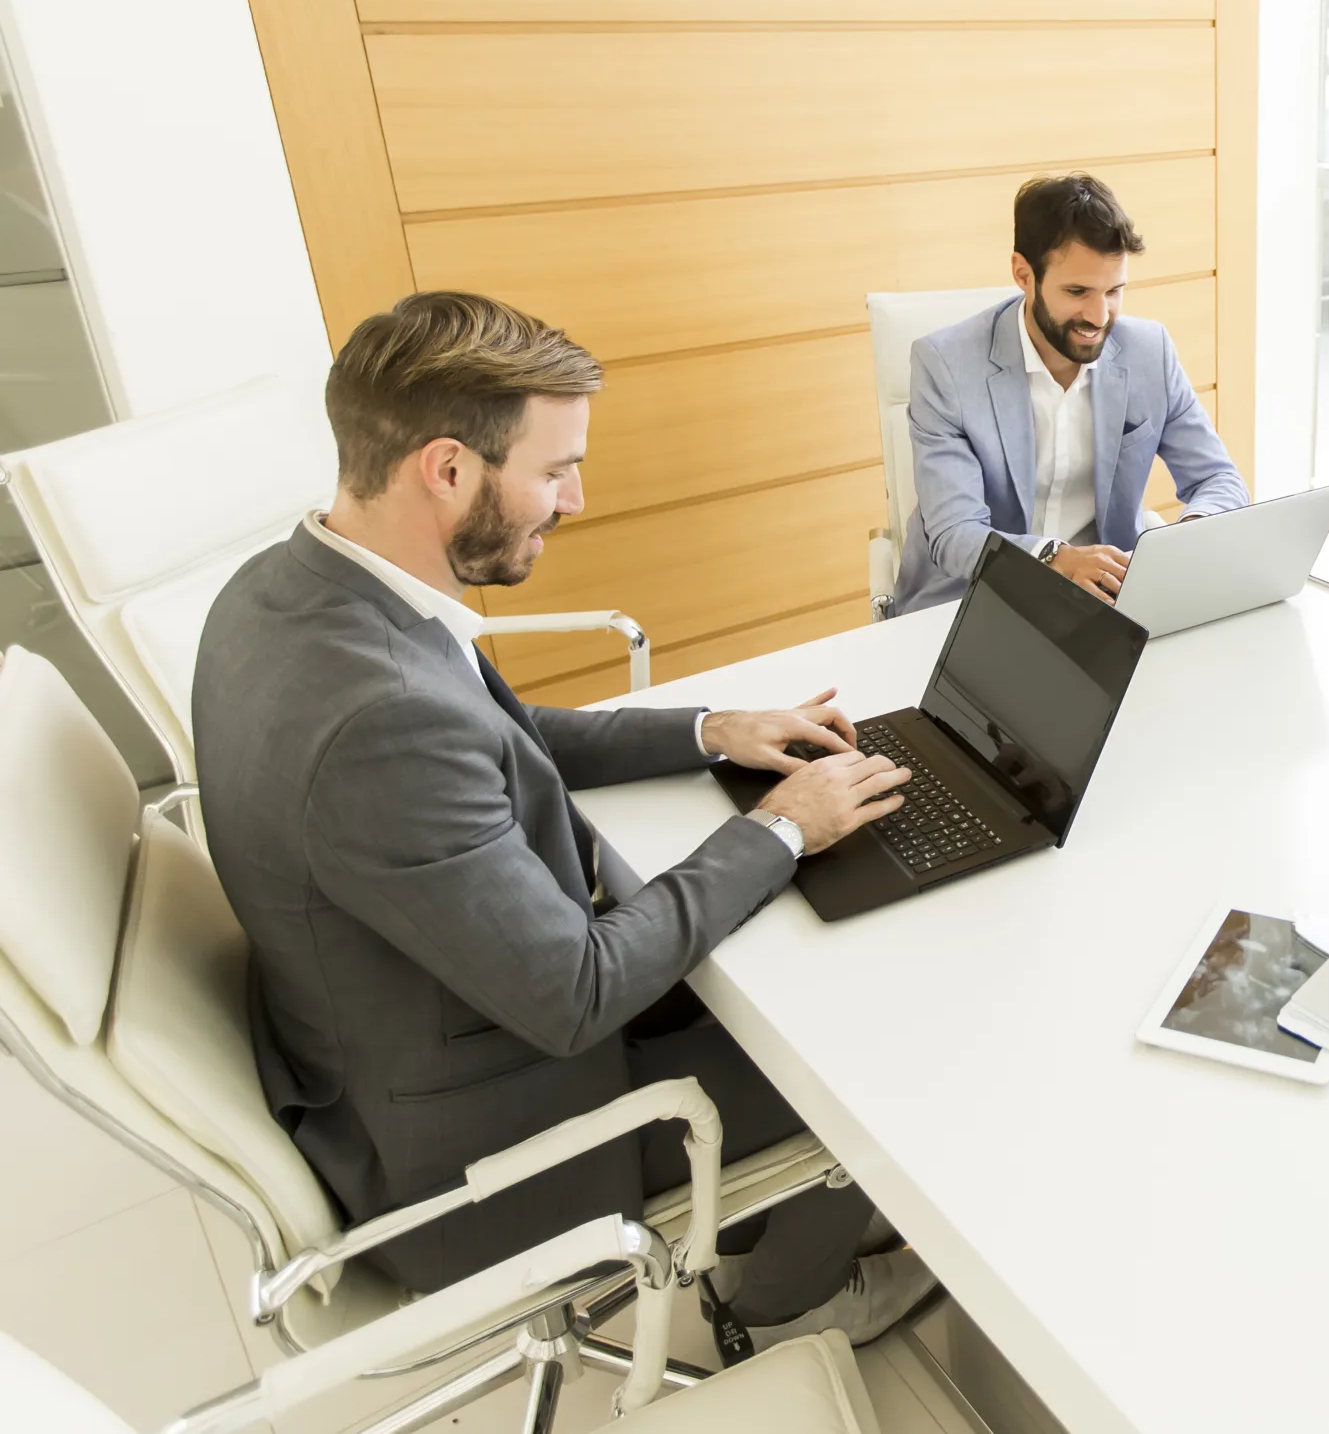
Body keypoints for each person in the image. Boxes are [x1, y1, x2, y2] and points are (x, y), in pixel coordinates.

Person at [195, 293, 939, 1351]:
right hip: (484, 1153)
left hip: (406, 1025)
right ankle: (785, 1306)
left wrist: (711, 731)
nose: (576, 500)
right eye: (553, 471)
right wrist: (779, 828)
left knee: (787, 949)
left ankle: (762, 1229)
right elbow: (575, 992)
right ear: (446, 470)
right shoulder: (378, 722)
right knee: (864, 1041)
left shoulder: (289, 590)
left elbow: (501, 730)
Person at [894, 173, 1246, 611]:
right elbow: (956, 533)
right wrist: (1056, 559)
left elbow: (1219, 479)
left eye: (1114, 291)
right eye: (1077, 291)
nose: (1099, 316)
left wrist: (1187, 536)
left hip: (1104, 601)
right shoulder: (945, 366)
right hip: (977, 595)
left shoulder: (1148, 353)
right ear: (1024, 274)